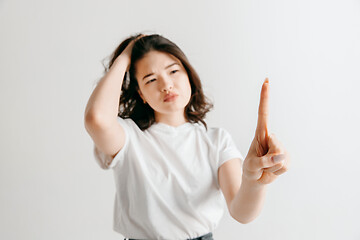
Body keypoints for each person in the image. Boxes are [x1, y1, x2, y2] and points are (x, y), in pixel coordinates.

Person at [84, 33, 290, 240]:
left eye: (173, 71)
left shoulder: (215, 141)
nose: (166, 85)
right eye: (151, 79)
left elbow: (241, 212)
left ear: (189, 75)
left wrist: (255, 181)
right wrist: (124, 57)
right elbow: (97, 119)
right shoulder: (128, 137)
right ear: (141, 94)